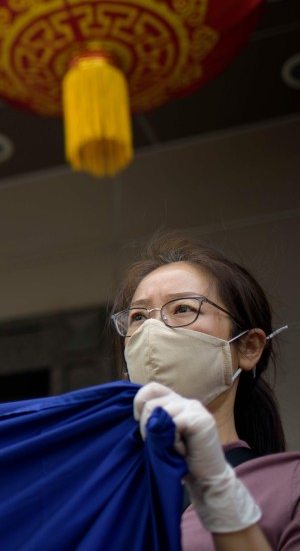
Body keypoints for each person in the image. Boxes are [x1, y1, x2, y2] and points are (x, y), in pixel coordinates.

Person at [110, 232, 298, 550]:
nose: (153, 331)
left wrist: (218, 490)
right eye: (138, 317)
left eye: (183, 309)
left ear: (249, 347)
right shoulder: (106, 492)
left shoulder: (289, 485)